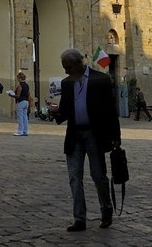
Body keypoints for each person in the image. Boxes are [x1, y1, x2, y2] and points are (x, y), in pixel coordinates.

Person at [53, 48, 120, 232]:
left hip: (94, 134)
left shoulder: (101, 80)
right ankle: (79, 218)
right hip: (75, 134)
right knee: (74, 177)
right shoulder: (67, 83)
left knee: (98, 176)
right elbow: (65, 110)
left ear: (77, 65)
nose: (66, 71)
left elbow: (111, 111)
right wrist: (54, 112)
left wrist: (116, 136)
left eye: (68, 67)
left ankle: (106, 211)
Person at [13, 71, 32, 136]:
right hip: (26, 102)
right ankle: (25, 131)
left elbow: (18, 95)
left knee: (20, 117)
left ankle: (20, 131)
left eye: (18, 78)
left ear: (20, 78)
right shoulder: (27, 85)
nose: (17, 79)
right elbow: (28, 94)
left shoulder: (20, 86)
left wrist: (11, 95)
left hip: (21, 102)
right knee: (25, 117)